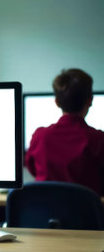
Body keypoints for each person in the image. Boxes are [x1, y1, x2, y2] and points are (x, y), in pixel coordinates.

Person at [25, 68, 104, 196]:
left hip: (45, 213)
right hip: (85, 214)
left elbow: (32, 168)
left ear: (56, 102)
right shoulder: (99, 139)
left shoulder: (40, 137)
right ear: (90, 101)